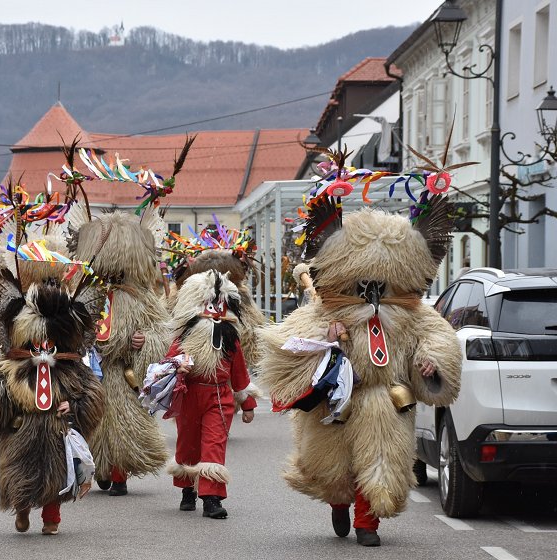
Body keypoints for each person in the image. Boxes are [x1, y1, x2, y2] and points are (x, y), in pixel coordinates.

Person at [260, 193, 462, 546]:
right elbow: (290, 340)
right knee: (333, 467)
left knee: (383, 464)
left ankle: (367, 523)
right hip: (337, 399)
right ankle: (339, 503)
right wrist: (325, 336)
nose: (373, 290)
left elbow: (436, 337)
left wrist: (430, 360)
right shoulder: (326, 309)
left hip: (386, 400)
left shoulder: (413, 314)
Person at [0, 244, 105, 536]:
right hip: (20, 430)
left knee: (56, 476)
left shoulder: (72, 369)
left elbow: (92, 393)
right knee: (19, 475)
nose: (43, 350)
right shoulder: (8, 367)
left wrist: (74, 406)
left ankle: (51, 517)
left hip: (56, 431)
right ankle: (21, 510)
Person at [67, 207, 170, 496]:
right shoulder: (84, 293)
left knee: (119, 425)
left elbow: (162, 331)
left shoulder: (141, 297)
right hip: (90, 372)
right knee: (92, 422)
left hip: (120, 374)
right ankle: (98, 468)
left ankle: (118, 473)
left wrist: (144, 340)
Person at [164, 270, 259, 519]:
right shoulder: (183, 336)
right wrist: (178, 366)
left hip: (219, 397)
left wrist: (247, 403)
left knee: (214, 445)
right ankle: (187, 489)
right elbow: (167, 364)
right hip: (189, 395)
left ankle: (211, 498)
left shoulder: (231, 338)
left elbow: (239, 372)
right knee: (188, 444)